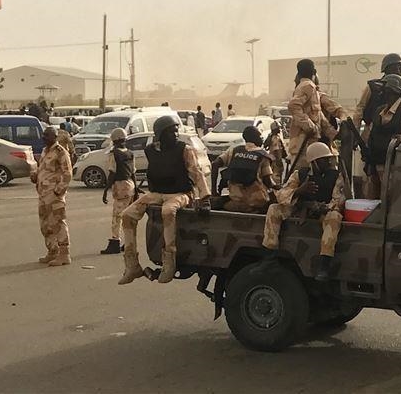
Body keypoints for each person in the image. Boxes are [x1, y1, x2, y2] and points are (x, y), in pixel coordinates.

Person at [118, 115, 210, 284]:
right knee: (127, 215)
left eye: (176, 131)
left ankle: (169, 262)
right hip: (157, 193)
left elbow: (197, 173)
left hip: (180, 194)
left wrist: (204, 198)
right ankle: (132, 265)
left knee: (167, 211)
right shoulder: (151, 151)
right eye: (171, 131)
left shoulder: (185, 150)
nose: (175, 134)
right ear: (160, 134)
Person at [262, 142, 346, 281]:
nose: (328, 162)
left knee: (334, 216)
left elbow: (338, 200)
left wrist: (323, 207)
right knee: (274, 209)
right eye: (323, 160)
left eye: (328, 159)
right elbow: (281, 195)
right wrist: (299, 191)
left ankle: (324, 264)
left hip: (322, 212)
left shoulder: (336, 176)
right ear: (314, 162)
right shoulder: (300, 175)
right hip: (300, 209)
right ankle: (269, 256)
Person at [364, 74, 401, 199]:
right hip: (375, 162)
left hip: (393, 164)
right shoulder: (379, 110)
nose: (385, 95)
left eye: (388, 92)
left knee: (389, 198)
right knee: (371, 199)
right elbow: (371, 133)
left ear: (396, 92)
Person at [354, 53, 401, 139]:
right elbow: (360, 109)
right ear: (386, 70)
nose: (397, 71)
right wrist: (355, 132)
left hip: (396, 134)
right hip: (372, 132)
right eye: (394, 68)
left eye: (400, 68)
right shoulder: (373, 87)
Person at [30, 127, 73, 266]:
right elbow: (43, 169)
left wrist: (58, 191)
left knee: (58, 223)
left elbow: (67, 173)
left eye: (47, 135)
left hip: (54, 195)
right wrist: (35, 176)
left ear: (54, 137)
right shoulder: (45, 151)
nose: (44, 137)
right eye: (44, 135)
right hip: (43, 194)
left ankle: (64, 254)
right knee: (45, 225)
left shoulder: (60, 152)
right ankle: (52, 251)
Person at [211, 126, 278, 213]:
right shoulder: (262, 155)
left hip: (235, 200)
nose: (261, 138)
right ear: (254, 137)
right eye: (259, 136)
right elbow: (268, 182)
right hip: (256, 203)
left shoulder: (234, 151)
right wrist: (278, 187)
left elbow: (215, 164)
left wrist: (214, 191)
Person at [100, 128, 136, 255]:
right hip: (130, 186)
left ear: (114, 141)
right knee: (128, 217)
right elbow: (133, 172)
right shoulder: (130, 153)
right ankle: (129, 242)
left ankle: (115, 242)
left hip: (120, 187)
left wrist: (106, 190)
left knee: (117, 217)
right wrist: (136, 189)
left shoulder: (114, 154)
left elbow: (112, 173)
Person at [287, 59, 324, 168]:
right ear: (313, 71)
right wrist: (310, 126)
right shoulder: (308, 86)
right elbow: (293, 105)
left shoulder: (308, 87)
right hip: (302, 143)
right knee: (300, 174)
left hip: (308, 142)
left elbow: (317, 114)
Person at [264, 121, 286, 186]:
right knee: (276, 175)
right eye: (278, 128)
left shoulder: (274, 136)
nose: (280, 129)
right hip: (275, 159)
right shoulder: (275, 138)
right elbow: (276, 150)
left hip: (274, 159)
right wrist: (279, 161)